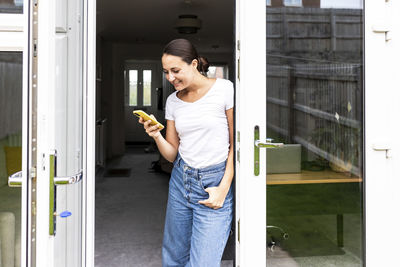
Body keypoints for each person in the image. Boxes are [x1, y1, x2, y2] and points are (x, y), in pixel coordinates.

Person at [139, 38, 234, 267]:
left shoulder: (224, 89)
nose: (170, 78)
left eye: (175, 70)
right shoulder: (173, 101)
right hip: (181, 181)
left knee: (204, 262)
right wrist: (156, 135)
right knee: (174, 258)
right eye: (166, 72)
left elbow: (236, 144)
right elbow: (172, 154)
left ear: (193, 64)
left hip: (214, 181)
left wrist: (224, 188)